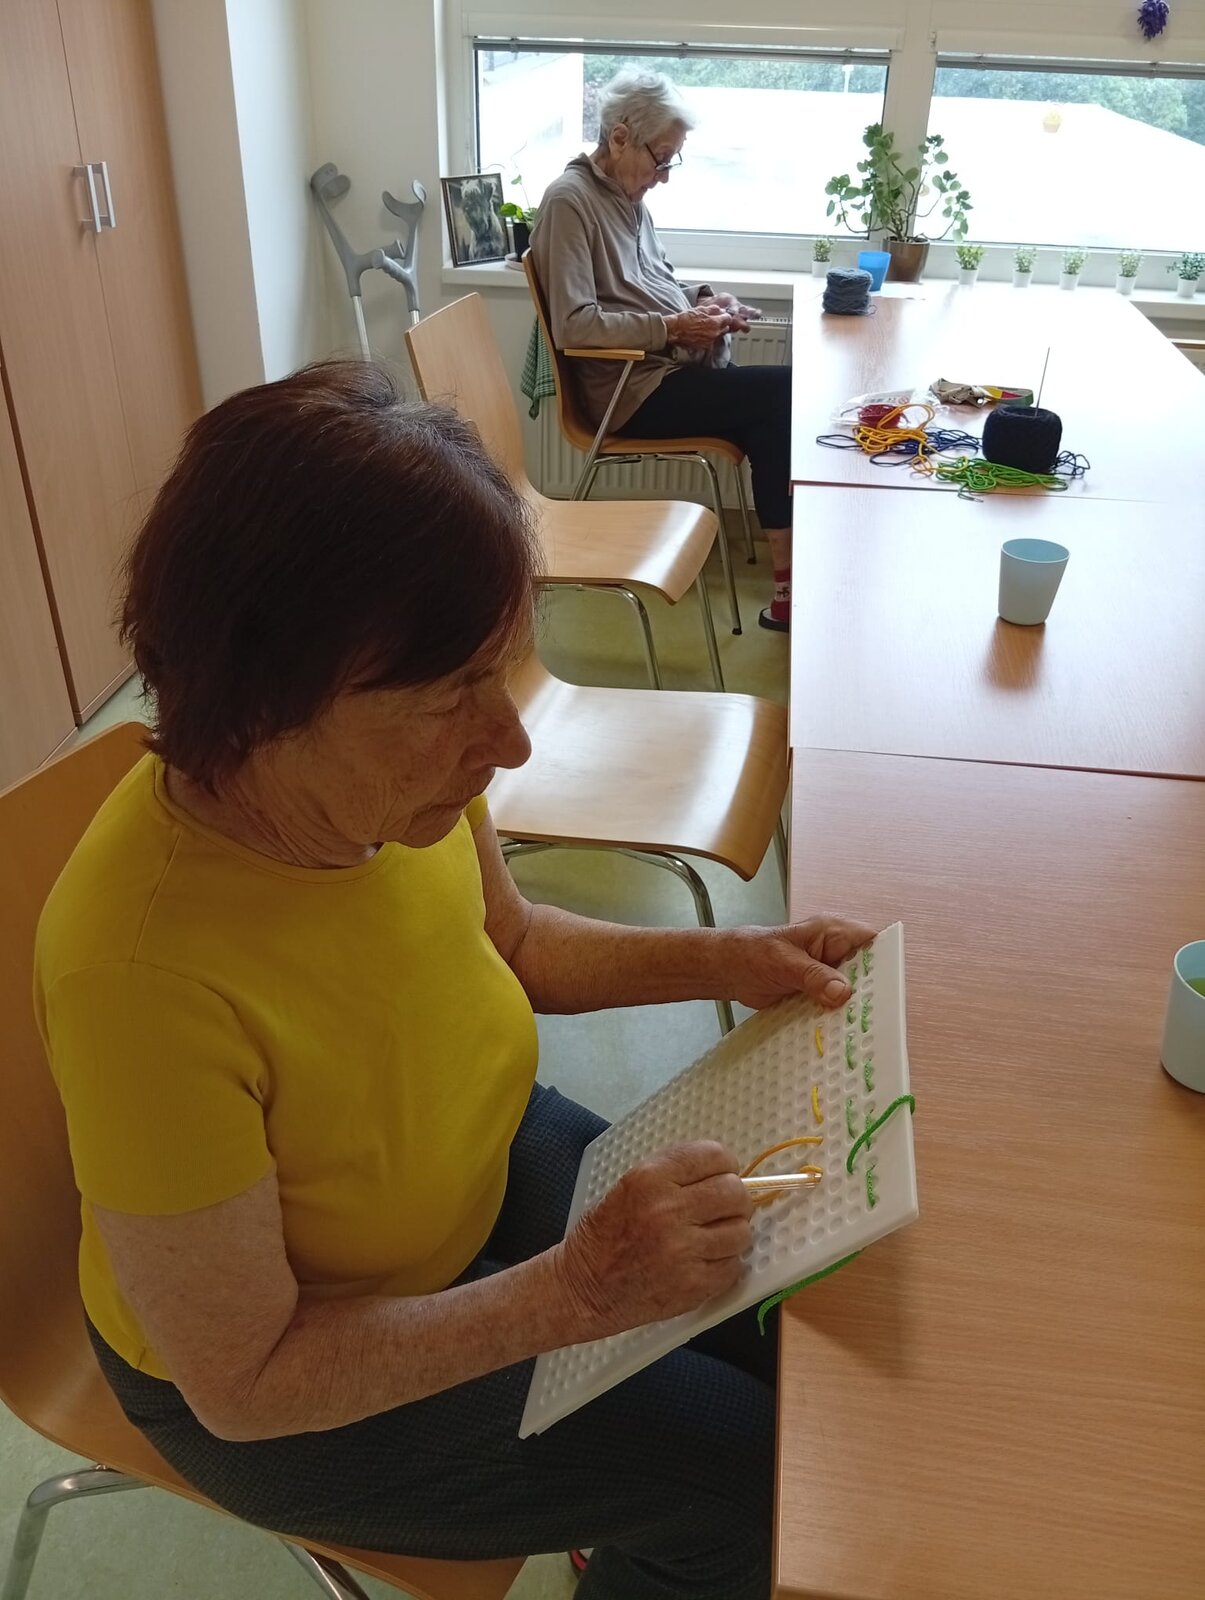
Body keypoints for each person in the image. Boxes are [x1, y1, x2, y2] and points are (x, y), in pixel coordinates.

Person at [35, 361, 873, 1600]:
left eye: (502, 674)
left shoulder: (384, 792)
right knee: (748, 1484)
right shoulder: (140, 970)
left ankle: (631, 1525)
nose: (510, 740)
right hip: (293, 1377)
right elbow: (247, 1381)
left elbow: (515, 944)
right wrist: (578, 1291)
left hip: (474, 1160)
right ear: (267, 699)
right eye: (454, 696)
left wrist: (730, 956)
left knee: (786, 1320)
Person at [531, 69, 794, 633]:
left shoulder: (631, 200)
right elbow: (574, 326)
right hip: (628, 391)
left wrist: (706, 302)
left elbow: (657, 282)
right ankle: (790, 583)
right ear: (620, 137)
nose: (665, 176)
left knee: (770, 411)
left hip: (663, 370)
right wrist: (674, 329)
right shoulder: (569, 202)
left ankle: (787, 587)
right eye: (662, 159)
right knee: (782, 394)